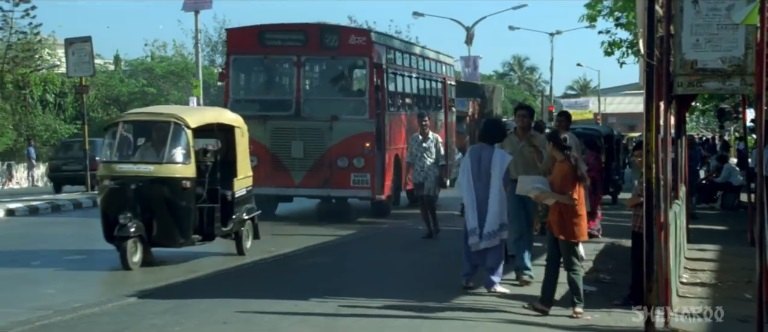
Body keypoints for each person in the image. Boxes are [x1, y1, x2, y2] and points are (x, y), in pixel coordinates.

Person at [524, 130, 589, 319]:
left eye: (547, 144)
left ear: (552, 146)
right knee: (551, 262)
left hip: (569, 221)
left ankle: (578, 304)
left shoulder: (567, 166)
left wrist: (548, 196)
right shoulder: (560, 164)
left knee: (571, 264)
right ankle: (545, 303)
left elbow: (571, 199)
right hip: (556, 220)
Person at [458, 117, 513, 294]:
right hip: (493, 205)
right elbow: (506, 184)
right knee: (495, 242)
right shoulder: (501, 157)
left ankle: (467, 277)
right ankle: (492, 281)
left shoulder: (471, 152)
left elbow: (462, 180)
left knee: (470, 240)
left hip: (473, 205)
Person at [500, 103, 547, 285]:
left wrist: (535, 148)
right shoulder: (507, 140)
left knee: (529, 226)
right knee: (517, 226)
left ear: (531, 120)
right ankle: (523, 268)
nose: (521, 120)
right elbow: (502, 164)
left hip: (533, 185)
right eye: (518, 116)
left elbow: (545, 163)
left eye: (525, 117)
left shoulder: (539, 139)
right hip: (513, 184)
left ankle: (523, 265)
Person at [406, 111, 447, 239]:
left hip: (431, 175)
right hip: (418, 175)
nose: (423, 123)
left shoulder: (436, 139)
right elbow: (410, 158)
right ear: (417, 122)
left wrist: (442, 175)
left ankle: (435, 224)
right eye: (421, 121)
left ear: (429, 121)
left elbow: (441, 159)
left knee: (429, 201)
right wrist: (406, 175)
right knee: (422, 203)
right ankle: (429, 229)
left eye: (425, 121)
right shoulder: (413, 139)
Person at [615, 141, 646, 306]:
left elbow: (644, 197)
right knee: (636, 263)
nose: (638, 159)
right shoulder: (642, 174)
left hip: (644, 226)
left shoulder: (651, 175)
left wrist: (632, 201)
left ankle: (637, 296)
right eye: (636, 156)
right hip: (638, 224)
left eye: (641, 156)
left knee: (640, 264)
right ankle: (635, 294)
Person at [583, 138, 603, 238]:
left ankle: (592, 228)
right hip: (593, 184)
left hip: (592, 184)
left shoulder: (592, 156)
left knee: (592, 206)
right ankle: (593, 228)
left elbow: (593, 169)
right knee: (594, 206)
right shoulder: (595, 155)